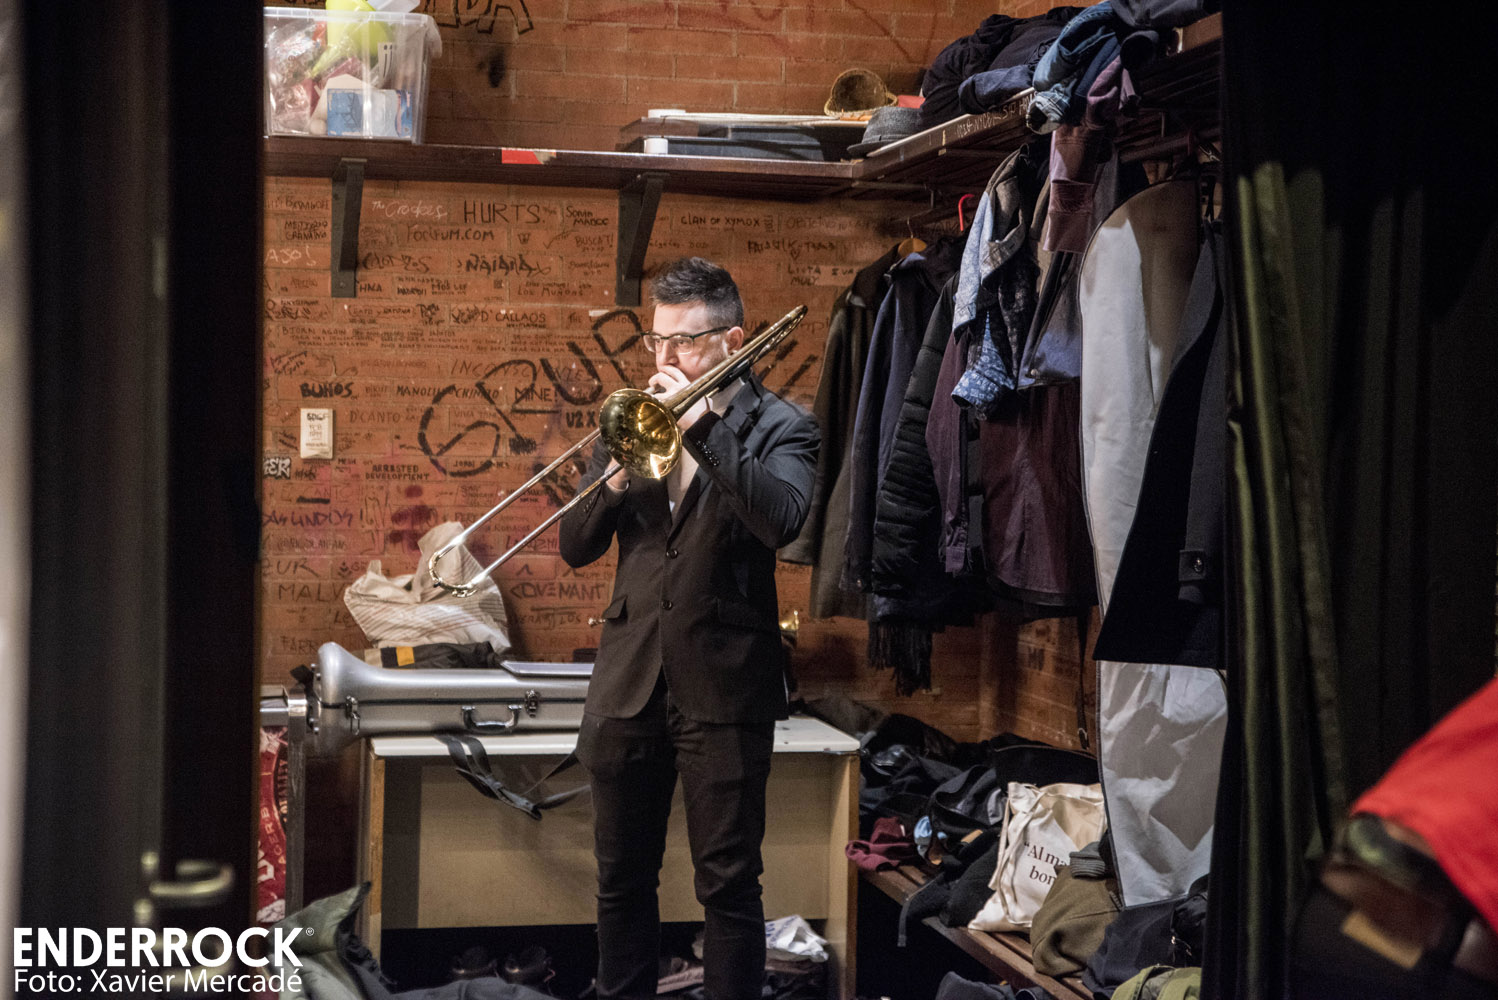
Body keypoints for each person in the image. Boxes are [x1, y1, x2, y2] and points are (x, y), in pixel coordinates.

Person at [558, 257, 819, 1000]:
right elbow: (574, 544)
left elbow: (781, 520)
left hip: (726, 686)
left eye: (684, 341)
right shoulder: (628, 420)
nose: (666, 357)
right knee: (620, 880)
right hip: (629, 681)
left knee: (728, 885)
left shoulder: (785, 428)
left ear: (733, 340)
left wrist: (701, 422)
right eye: (657, 340)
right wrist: (615, 473)